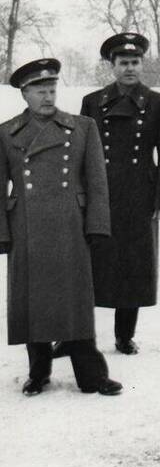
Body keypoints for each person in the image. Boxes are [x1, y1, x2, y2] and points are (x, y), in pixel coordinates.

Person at [0, 58, 122, 396]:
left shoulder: (82, 127)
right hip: (27, 226)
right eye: (40, 91)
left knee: (75, 300)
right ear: (24, 94)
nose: (47, 97)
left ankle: (91, 375)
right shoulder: (7, 133)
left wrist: (97, 224)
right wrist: (2, 233)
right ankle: (38, 372)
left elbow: (98, 182)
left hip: (71, 224)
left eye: (52, 89)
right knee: (33, 301)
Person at [78, 32, 160, 355]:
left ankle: (124, 336)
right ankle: (81, 336)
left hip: (139, 195)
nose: (130, 68)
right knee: (94, 264)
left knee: (134, 266)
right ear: (112, 66)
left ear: (142, 64)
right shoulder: (93, 102)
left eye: (135, 62)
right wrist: (82, 196)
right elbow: (82, 152)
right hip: (101, 193)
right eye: (123, 63)